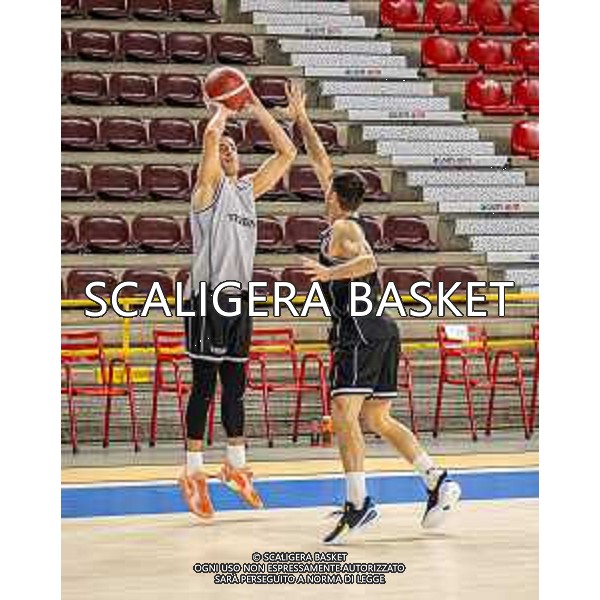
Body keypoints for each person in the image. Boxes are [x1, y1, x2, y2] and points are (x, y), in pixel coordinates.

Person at [284, 83, 461, 544]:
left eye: (326, 188)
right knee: (377, 418)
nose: (321, 187)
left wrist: (330, 274)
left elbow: (369, 262)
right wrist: (302, 119)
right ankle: (436, 479)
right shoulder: (344, 216)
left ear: (333, 197)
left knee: (344, 411)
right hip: (380, 328)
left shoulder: (344, 229)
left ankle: (358, 503)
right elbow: (321, 160)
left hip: (360, 330)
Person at [179, 85, 297, 519]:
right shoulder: (206, 192)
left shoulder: (247, 190)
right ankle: (193, 471)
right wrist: (222, 110)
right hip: (207, 298)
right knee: (204, 385)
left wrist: (257, 106)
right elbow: (212, 137)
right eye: (222, 149)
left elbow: (287, 153)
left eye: (233, 148)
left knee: (236, 385)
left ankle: (236, 465)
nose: (227, 150)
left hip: (239, 300)